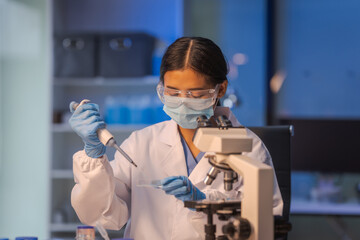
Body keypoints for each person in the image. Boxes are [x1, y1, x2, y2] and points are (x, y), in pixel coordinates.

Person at [69, 37, 283, 240]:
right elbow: (103, 216)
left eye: (195, 94)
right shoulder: (142, 143)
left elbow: (264, 228)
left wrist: (203, 204)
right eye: (173, 92)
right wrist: (93, 157)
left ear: (221, 89)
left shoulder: (249, 148)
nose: (182, 102)